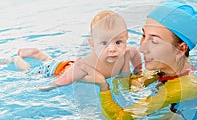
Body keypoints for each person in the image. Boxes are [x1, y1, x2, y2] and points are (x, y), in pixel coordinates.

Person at [78, 1, 197, 120]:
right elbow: (132, 88)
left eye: (154, 41)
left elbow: (118, 117)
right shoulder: (165, 67)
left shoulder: (182, 88)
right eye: (144, 35)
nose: (142, 48)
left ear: (180, 49)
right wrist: (117, 66)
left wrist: (103, 86)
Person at [2, 10, 142, 91]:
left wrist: (138, 72)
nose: (112, 49)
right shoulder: (88, 65)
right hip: (57, 70)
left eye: (118, 42)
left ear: (126, 39)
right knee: (29, 72)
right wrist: (50, 86)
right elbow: (66, 79)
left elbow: (135, 54)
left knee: (50, 60)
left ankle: (39, 54)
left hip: (69, 63)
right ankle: (16, 59)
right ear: (92, 45)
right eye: (104, 43)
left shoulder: (127, 53)